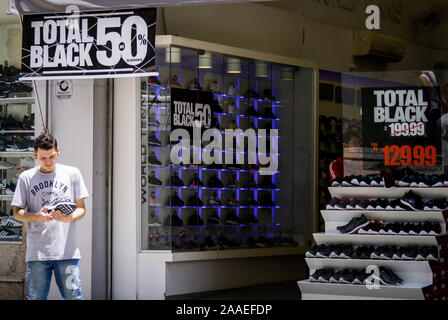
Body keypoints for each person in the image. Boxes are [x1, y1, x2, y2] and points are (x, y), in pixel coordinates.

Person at [12, 132, 89, 300]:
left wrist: (70, 218)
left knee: (74, 297)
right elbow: (17, 213)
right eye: (43, 158)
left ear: (58, 151)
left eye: (52, 157)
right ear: (35, 155)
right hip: (37, 253)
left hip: (67, 252)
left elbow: (81, 209)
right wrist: (37, 216)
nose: (48, 161)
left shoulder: (72, 173)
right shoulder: (26, 177)